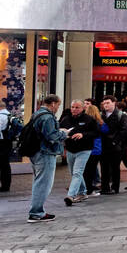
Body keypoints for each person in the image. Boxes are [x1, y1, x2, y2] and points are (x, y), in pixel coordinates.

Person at [27, 95, 67, 223]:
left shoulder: (37, 114)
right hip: (45, 152)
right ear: (53, 104)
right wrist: (64, 133)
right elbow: (51, 136)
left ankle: (37, 211)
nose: (58, 108)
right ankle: (36, 212)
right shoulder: (48, 117)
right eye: (58, 105)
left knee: (39, 181)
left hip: (35, 152)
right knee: (44, 183)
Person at [59, 99, 98, 205]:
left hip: (84, 149)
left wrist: (83, 135)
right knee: (74, 173)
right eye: (72, 107)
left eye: (77, 107)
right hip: (70, 149)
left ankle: (71, 195)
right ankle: (82, 192)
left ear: (82, 108)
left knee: (77, 172)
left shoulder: (89, 119)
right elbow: (59, 130)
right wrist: (64, 134)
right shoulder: (65, 119)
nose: (74, 109)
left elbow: (96, 133)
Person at [100, 96, 127, 193]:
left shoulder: (121, 115)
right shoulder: (100, 114)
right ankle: (105, 188)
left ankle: (115, 188)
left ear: (114, 103)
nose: (105, 105)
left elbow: (124, 131)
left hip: (116, 146)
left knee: (115, 167)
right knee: (104, 167)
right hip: (103, 145)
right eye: (104, 103)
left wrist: (115, 141)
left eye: (108, 103)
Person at [83, 101, 105, 195]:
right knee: (92, 169)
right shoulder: (100, 123)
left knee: (85, 169)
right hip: (96, 148)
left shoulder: (85, 122)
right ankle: (90, 187)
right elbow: (106, 131)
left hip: (86, 148)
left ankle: (86, 187)